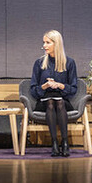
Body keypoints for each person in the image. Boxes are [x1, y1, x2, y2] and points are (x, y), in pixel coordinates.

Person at [30, 29, 78, 157]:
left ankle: (65, 142)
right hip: (44, 101)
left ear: (56, 44)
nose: (44, 46)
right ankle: (55, 143)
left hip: (63, 101)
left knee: (59, 102)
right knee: (51, 102)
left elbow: (73, 89)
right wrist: (44, 86)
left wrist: (60, 85)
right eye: (44, 42)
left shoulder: (69, 63)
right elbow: (33, 90)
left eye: (47, 42)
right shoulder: (39, 63)